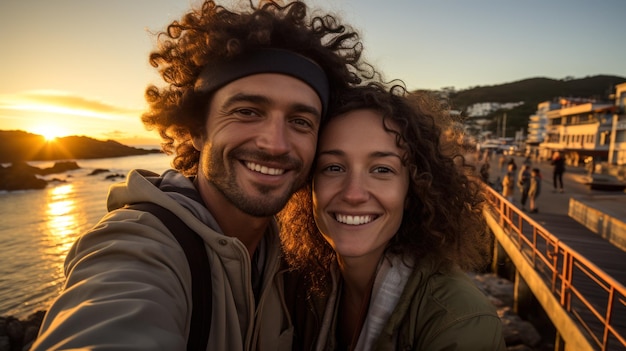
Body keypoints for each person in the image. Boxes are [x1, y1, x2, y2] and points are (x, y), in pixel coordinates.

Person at [32, 1, 380, 350]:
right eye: (247, 112)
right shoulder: (139, 247)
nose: (275, 144)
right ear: (197, 129)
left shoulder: (294, 252)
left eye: (300, 121)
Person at [280, 85, 506, 350]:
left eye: (381, 169)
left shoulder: (460, 322)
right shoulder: (301, 286)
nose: (353, 194)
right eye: (333, 167)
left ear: (413, 191)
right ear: (310, 186)